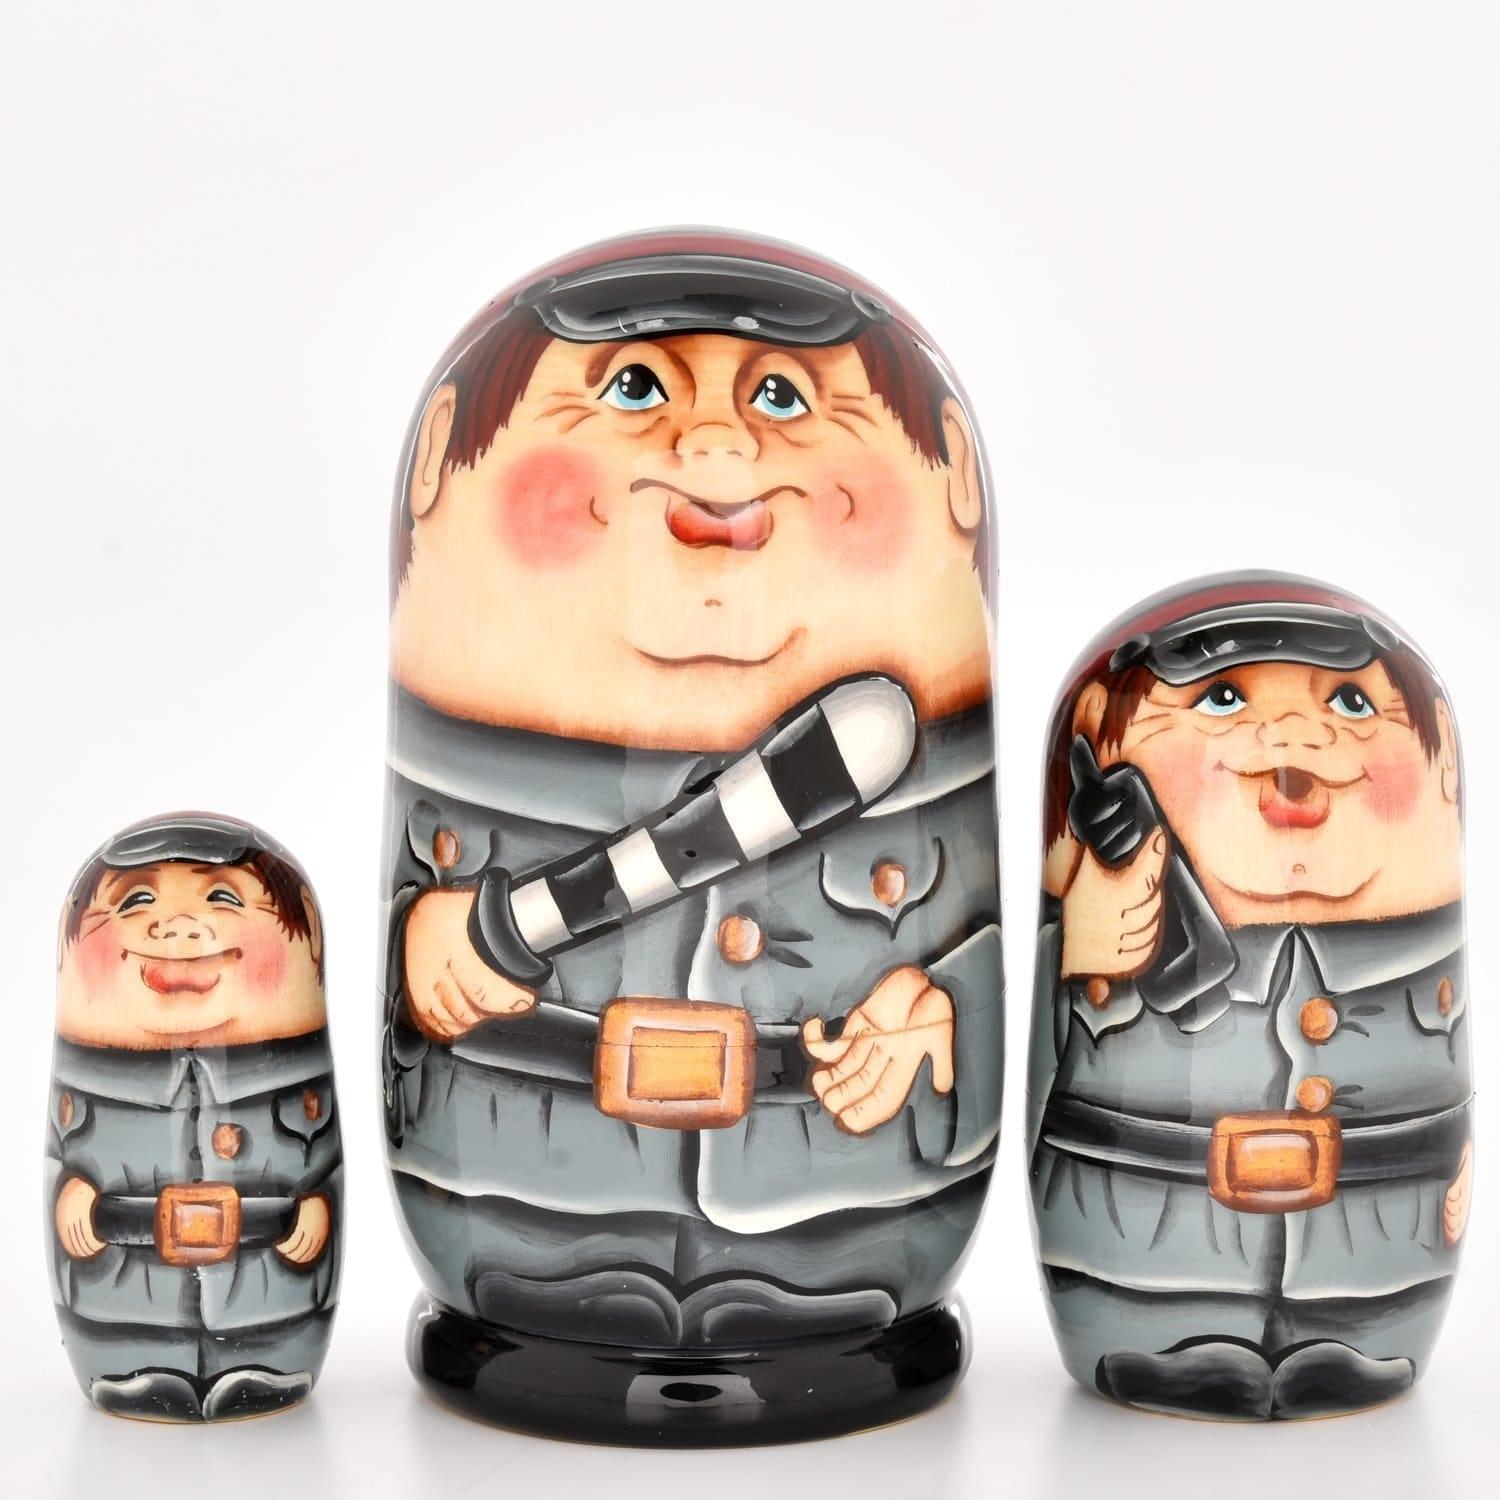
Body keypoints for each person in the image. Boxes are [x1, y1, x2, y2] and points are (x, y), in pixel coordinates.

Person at [381, 230, 1003, 1434]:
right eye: (632, 388)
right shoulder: (473, 726)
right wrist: (421, 950)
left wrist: (940, 1009)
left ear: (955, 493)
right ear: (441, 477)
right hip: (526, 1222)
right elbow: (407, 951)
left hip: (844, 1238)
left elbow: (972, 934)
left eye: (785, 398)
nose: (717, 447)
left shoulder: (904, 736)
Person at [1028, 574, 1472, 1419]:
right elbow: (1048, 1062)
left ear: (1441, 766)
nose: (1295, 734)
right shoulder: (1105, 917)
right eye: (1223, 697)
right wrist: (1085, 941)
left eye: (1352, 703)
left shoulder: (1421, 946)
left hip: (1378, 1271)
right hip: (1140, 1265)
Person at [48, 814, 341, 1421]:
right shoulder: (91, 1080)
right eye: (136, 899)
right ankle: (129, 1363)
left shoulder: (295, 1076)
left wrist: (315, 1206)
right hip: (122, 1298)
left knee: (271, 1330)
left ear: (306, 944)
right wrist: (73, 1194)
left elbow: (321, 1162)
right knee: (125, 1336)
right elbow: (64, 1154)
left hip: (269, 1298)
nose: (178, 927)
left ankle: (265, 1360)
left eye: (224, 898)